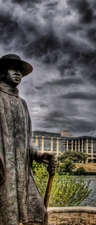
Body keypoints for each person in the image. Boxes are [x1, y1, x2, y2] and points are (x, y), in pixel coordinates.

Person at [0, 54, 57, 225]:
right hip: (4, 171)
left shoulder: (22, 104)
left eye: (20, 71)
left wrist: (40, 155)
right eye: (13, 69)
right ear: (2, 73)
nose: (17, 73)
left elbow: (26, 140)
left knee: (38, 212)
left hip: (23, 173)